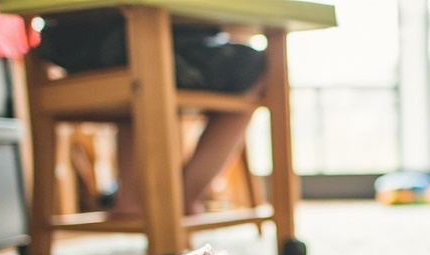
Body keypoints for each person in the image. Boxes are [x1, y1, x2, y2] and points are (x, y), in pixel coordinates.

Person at [35, 18, 266, 216]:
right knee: (262, 69)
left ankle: (130, 199)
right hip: (142, 44)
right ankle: (184, 198)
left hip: (73, 51)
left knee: (137, 50)